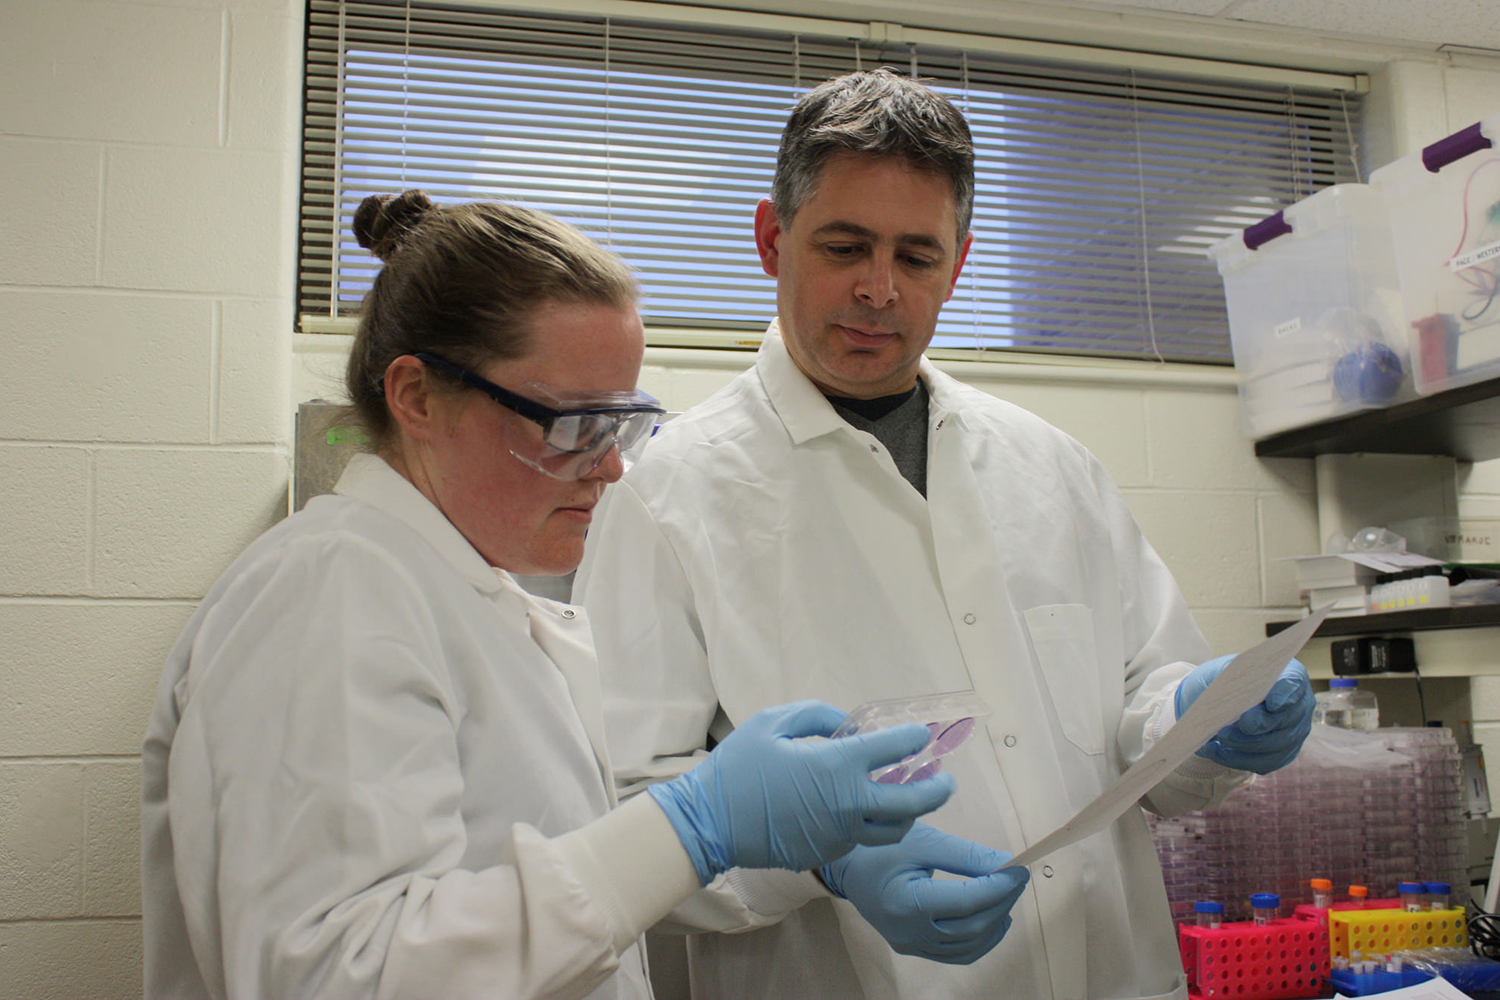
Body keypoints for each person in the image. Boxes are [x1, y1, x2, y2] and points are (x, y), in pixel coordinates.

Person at [139, 190, 1029, 1000]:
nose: (609, 465)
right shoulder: (328, 588)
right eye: (570, 424)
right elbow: (341, 975)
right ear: (415, 395)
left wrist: (809, 855)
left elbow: (546, 898)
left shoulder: (472, 597)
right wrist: (695, 822)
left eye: (620, 423)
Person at [574, 69, 1315, 999]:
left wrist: (1202, 722)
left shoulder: (1052, 468)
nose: (879, 289)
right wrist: (821, 865)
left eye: (917, 258)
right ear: (772, 239)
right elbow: (623, 815)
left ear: (958, 264)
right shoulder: (668, 494)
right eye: (844, 247)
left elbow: (1134, 717)